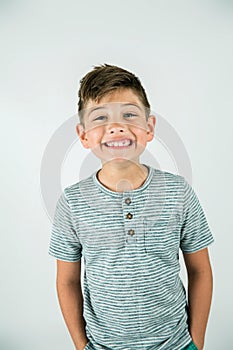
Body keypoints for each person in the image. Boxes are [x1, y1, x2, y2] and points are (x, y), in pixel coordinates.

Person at [48, 64, 214, 350]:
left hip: (175, 343)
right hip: (103, 346)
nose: (116, 126)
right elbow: (67, 282)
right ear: (84, 135)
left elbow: (200, 270)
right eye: (100, 118)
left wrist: (196, 341)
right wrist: (80, 345)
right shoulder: (72, 202)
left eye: (129, 114)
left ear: (149, 128)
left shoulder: (178, 192)